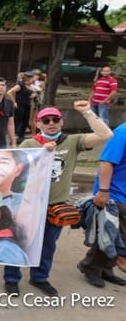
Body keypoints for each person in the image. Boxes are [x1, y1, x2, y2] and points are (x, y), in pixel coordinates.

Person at [0, 102, 112, 295]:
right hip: (29, 204)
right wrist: (41, 152)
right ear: (38, 124)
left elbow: (105, 135)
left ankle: (39, 278)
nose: (51, 123)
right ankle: (11, 279)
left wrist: (87, 112)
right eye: (46, 120)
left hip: (55, 206)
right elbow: (16, 172)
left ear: (61, 122)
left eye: (55, 119)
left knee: (48, 246)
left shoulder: (73, 141)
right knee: (18, 241)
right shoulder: (29, 144)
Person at [77, 122, 126, 287]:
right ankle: (91, 267)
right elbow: (107, 162)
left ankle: (105, 268)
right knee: (112, 235)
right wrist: (103, 191)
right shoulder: (123, 132)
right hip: (114, 193)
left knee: (114, 236)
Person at [7, 71, 37, 144]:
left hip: (27, 106)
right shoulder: (20, 85)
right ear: (28, 78)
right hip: (20, 106)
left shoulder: (29, 86)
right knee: (17, 121)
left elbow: (31, 93)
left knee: (25, 121)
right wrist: (14, 102)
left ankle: (21, 137)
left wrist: (34, 95)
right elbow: (9, 92)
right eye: (32, 77)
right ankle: (13, 137)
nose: (33, 79)